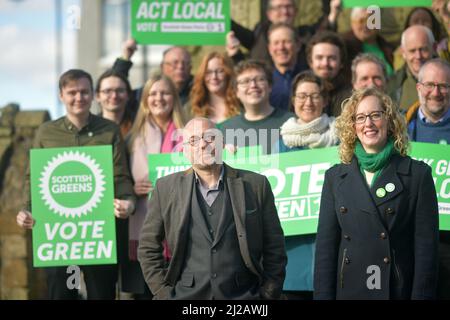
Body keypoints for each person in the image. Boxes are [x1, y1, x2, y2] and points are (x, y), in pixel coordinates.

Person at [16, 69, 136, 299]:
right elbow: (35, 178)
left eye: (84, 92)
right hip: (58, 232)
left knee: (102, 293)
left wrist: (128, 202)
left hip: (98, 231)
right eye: (72, 92)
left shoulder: (109, 130)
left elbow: (120, 175)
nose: (79, 98)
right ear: (61, 95)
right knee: (62, 293)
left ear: (93, 95)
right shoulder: (46, 132)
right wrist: (27, 210)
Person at [138, 117, 287, 300]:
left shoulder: (256, 185)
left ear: (222, 143)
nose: (202, 145)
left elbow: (275, 246)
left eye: (209, 137)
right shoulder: (165, 188)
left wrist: (268, 294)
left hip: (245, 298)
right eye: (193, 140)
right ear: (184, 150)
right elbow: (147, 247)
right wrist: (164, 293)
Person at [314, 87, 439, 299]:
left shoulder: (417, 175)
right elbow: (325, 252)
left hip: (397, 291)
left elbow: (426, 254)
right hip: (349, 291)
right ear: (352, 126)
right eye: (360, 117)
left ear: (389, 121)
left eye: (375, 115)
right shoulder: (335, 178)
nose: (368, 124)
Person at [277, 71, 338, 300]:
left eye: (315, 96)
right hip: (292, 261)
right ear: (293, 100)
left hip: (334, 254)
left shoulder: (343, 139)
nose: (308, 102)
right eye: (302, 96)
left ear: (325, 100)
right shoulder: (278, 145)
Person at [125, 74, 185, 298]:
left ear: (174, 98)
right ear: (145, 100)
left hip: (182, 228)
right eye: (153, 93)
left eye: (165, 93)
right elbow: (119, 180)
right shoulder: (132, 138)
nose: (159, 98)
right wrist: (131, 189)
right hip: (144, 223)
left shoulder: (189, 134)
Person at [405, 59, 450, 299]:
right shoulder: (400, 126)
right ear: (419, 87)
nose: (436, 92)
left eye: (444, 86)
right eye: (430, 84)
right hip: (409, 236)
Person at [226, 0, 341, 66]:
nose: (285, 12)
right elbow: (230, 25)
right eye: (279, 7)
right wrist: (236, 55)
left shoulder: (307, 34)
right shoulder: (259, 34)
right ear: (269, 14)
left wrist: (333, 13)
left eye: (288, 7)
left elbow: (325, 31)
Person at [220, 60, 293, 155]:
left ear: (270, 86)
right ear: (236, 91)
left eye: (260, 79)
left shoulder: (292, 122)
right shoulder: (224, 131)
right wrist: (223, 155)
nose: (253, 85)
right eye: (245, 81)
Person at [112, 42, 193, 106]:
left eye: (186, 63)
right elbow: (114, 85)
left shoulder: (199, 92)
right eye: (175, 63)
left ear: (191, 67)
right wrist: (125, 58)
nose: (180, 67)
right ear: (162, 66)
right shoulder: (145, 93)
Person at [387, 25, 436, 112]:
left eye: (423, 49)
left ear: (434, 48)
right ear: (403, 52)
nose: (418, 56)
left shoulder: (447, 78)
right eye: (412, 51)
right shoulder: (392, 85)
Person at [306, 31, 351, 117]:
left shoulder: (351, 97)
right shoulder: (300, 91)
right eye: (319, 57)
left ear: (341, 62)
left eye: (332, 58)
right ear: (310, 62)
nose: (325, 63)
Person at [188, 52, 241, 125]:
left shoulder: (241, 106)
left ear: (228, 74)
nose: (214, 77)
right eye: (208, 72)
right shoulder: (191, 109)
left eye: (220, 71)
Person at [342, 7, 394, 77]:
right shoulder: (343, 46)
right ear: (352, 23)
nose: (366, 25)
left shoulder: (389, 48)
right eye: (361, 21)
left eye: (372, 21)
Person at [267, 23, 308, 111]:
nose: (281, 47)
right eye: (276, 43)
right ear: (270, 49)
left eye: (286, 42)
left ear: (298, 45)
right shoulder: (262, 82)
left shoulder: (310, 78)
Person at [95, 69, 137, 136]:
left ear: (128, 95)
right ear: (98, 96)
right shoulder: (89, 129)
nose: (114, 96)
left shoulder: (140, 126)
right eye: (107, 91)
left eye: (120, 90)